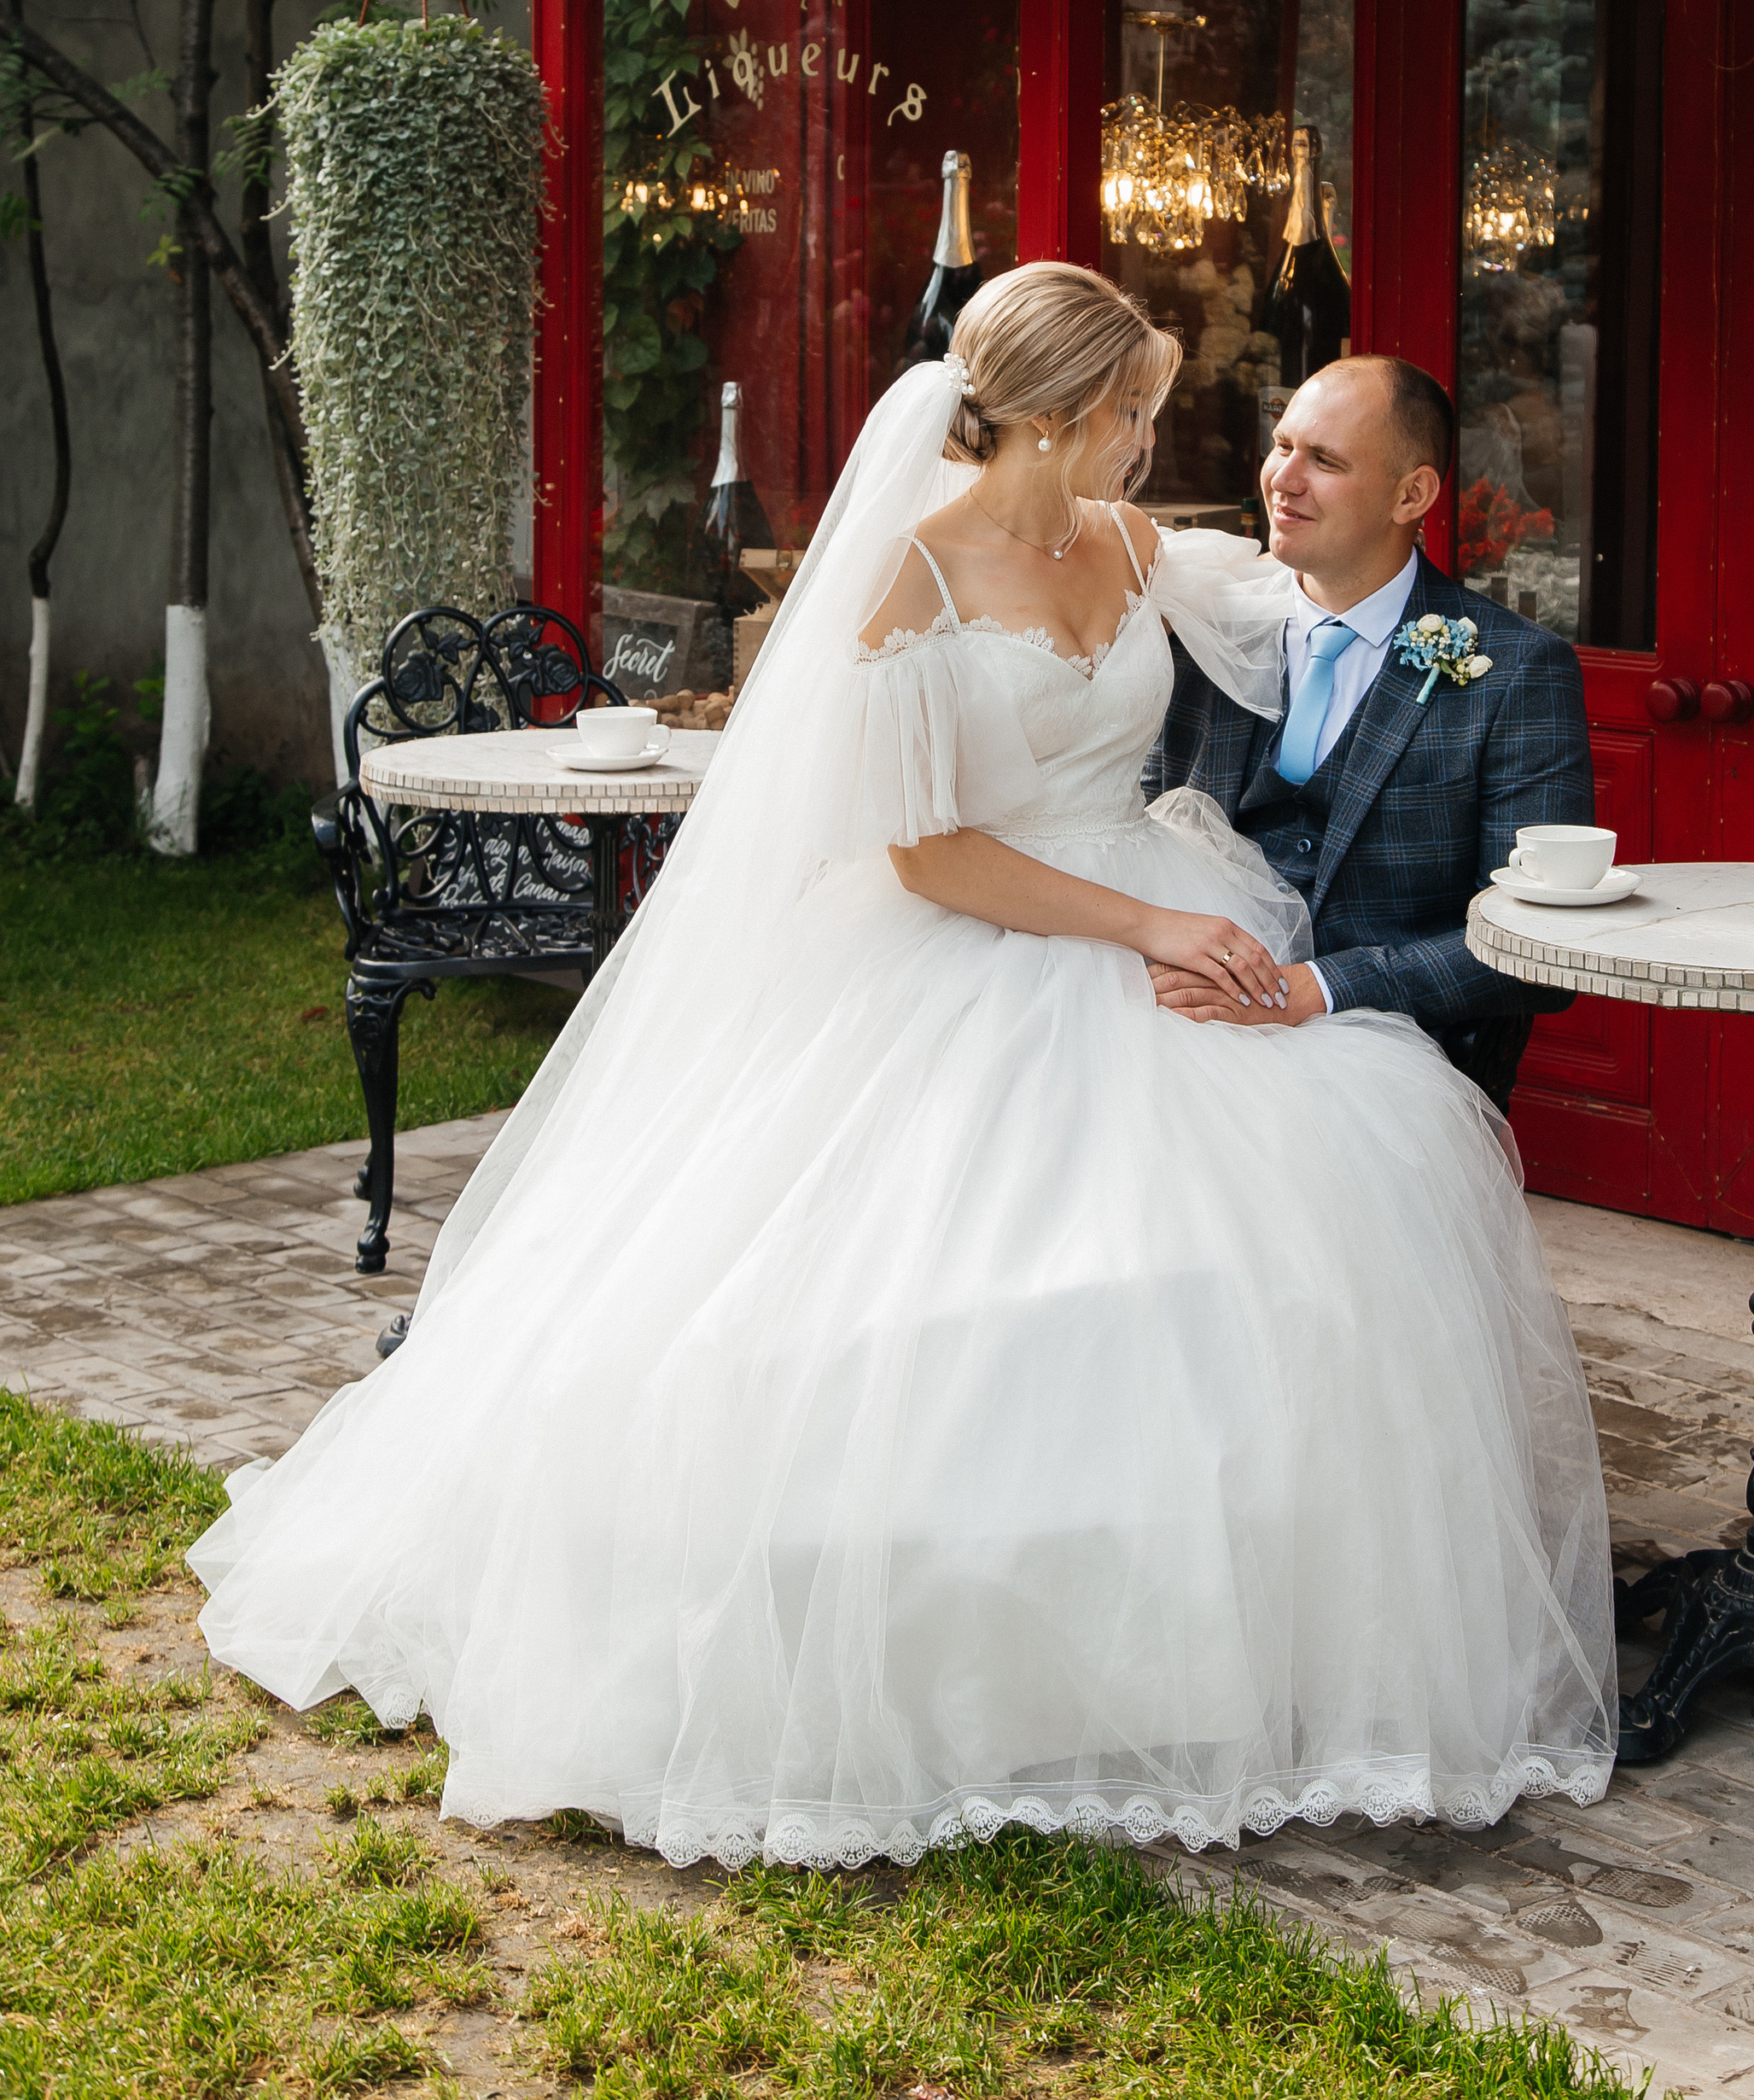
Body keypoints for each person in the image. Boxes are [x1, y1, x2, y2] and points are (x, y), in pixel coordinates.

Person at [192, 264, 1614, 1870]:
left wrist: (1427, 687)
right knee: (903, 1283)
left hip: (1162, 917)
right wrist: (1141, 923)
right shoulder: (913, 582)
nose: (1162, 449)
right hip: (984, 938)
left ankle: (1210, 1628)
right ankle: (905, 1644)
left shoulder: (1143, 546)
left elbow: (1333, 641)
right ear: (1072, 416)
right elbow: (928, 854)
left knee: (1238, 1265)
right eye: (1140, 416)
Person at [1151, 354, 1594, 1112]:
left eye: (1323, 460)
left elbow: (1538, 946)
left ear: (1411, 493)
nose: (1283, 479)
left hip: (1386, 1064)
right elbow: (1133, 837)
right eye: (1282, 445)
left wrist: (1317, 990)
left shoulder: (1518, 670)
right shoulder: (1197, 638)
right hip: (1180, 1032)